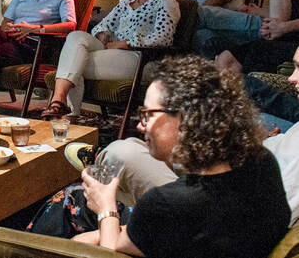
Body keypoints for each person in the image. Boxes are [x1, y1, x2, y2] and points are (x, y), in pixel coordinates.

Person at [74, 55, 290, 257]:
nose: (140, 125)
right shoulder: (261, 161)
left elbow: (111, 251)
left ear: (186, 119)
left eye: (148, 114)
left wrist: (105, 207)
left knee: (77, 239)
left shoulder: (168, 202)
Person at [41, 0, 180, 118]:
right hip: (110, 51)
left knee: (74, 61)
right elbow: (104, 23)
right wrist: (103, 32)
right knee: (76, 37)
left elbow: (163, 37)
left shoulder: (166, 1)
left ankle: (66, 109)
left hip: (139, 58)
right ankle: (61, 103)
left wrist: (125, 43)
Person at [194, 0, 299, 61]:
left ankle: (190, 15)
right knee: (202, 36)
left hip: (279, 35)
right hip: (278, 27)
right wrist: (259, 11)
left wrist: (284, 27)